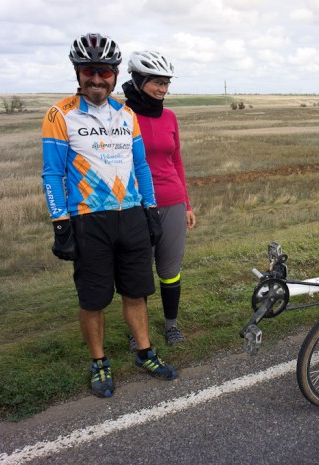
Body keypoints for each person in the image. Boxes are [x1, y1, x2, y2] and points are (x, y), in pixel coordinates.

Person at [41, 33, 178, 398]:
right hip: (89, 220)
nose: (97, 79)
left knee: (137, 292)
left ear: (116, 74)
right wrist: (60, 223)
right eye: (89, 71)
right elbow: (52, 174)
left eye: (104, 72)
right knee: (94, 299)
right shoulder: (60, 115)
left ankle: (145, 352)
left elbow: (141, 166)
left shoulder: (126, 114)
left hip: (131, 214)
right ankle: (100, 362)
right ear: (78, 71)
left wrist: (150, 210)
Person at [122, 51, 196, 347]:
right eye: (156, 82)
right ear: (139, 81)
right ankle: (136, 330)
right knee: (138, 271)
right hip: (135, 205)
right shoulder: (123, 116)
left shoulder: (170, 117)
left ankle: (171, 325)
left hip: (172, 201)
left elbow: (176, 160)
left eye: (166, 83)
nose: (163, 89)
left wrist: (187, 204)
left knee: (169, 269)